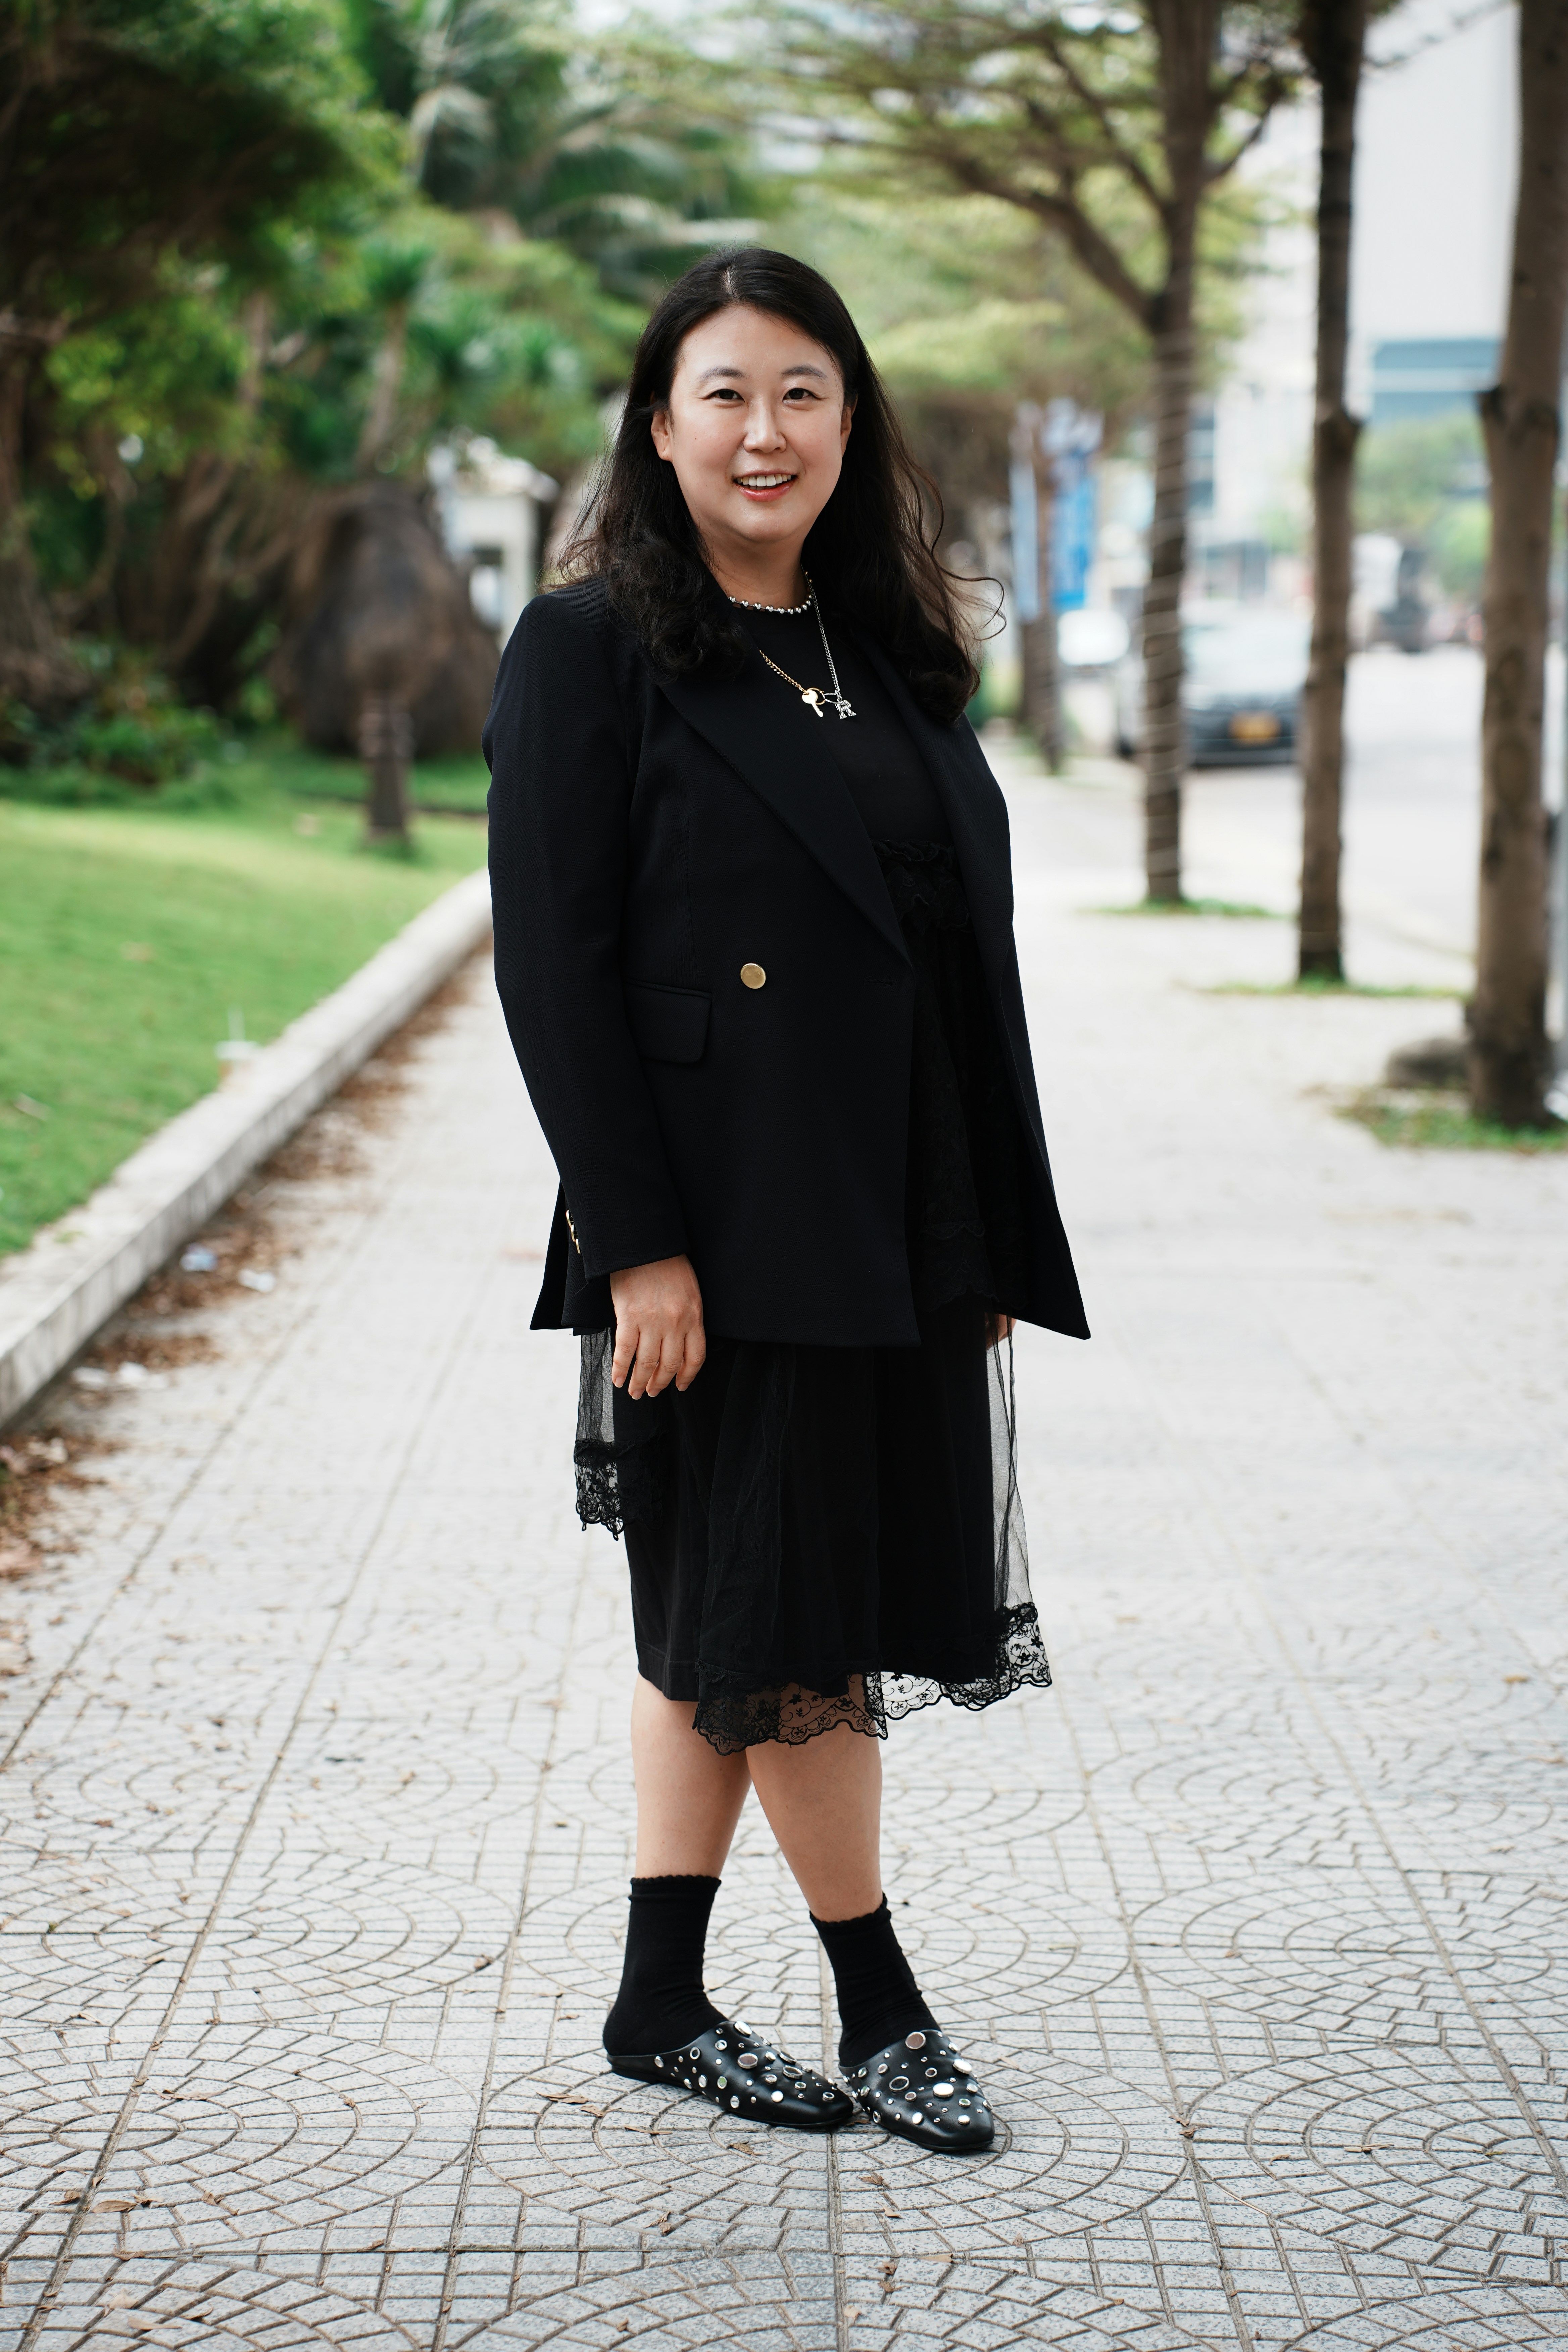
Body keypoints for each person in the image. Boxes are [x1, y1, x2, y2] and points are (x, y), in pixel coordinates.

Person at [484, 248, 1086, 2153]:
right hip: (723, 1223)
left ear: (853, 422)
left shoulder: (885, 647)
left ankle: (659, 1999)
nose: (767, 431)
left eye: (804, 392)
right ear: (661, 429)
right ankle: (884, 2010)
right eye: (726, 394)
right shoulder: (590, 647)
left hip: (895, 1213)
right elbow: (555, 969)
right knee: (788, 1625)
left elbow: (957, 960)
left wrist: (985, 1225)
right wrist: (639, 1244)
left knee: (733, 1613)